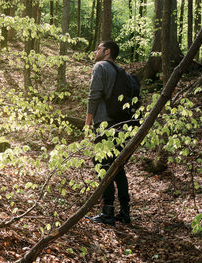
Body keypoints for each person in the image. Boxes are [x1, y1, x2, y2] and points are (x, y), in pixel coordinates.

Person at [85, 40, 131, 225]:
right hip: (121, 126)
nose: (95, 51)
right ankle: (125, 212)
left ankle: (108, 212)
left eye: (98, 48)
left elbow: (94, 95)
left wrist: (88, 123)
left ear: (107, 51)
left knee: (103, 166)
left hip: (104, 124)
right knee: (117, 167)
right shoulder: (120, 72)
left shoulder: (100, 66)